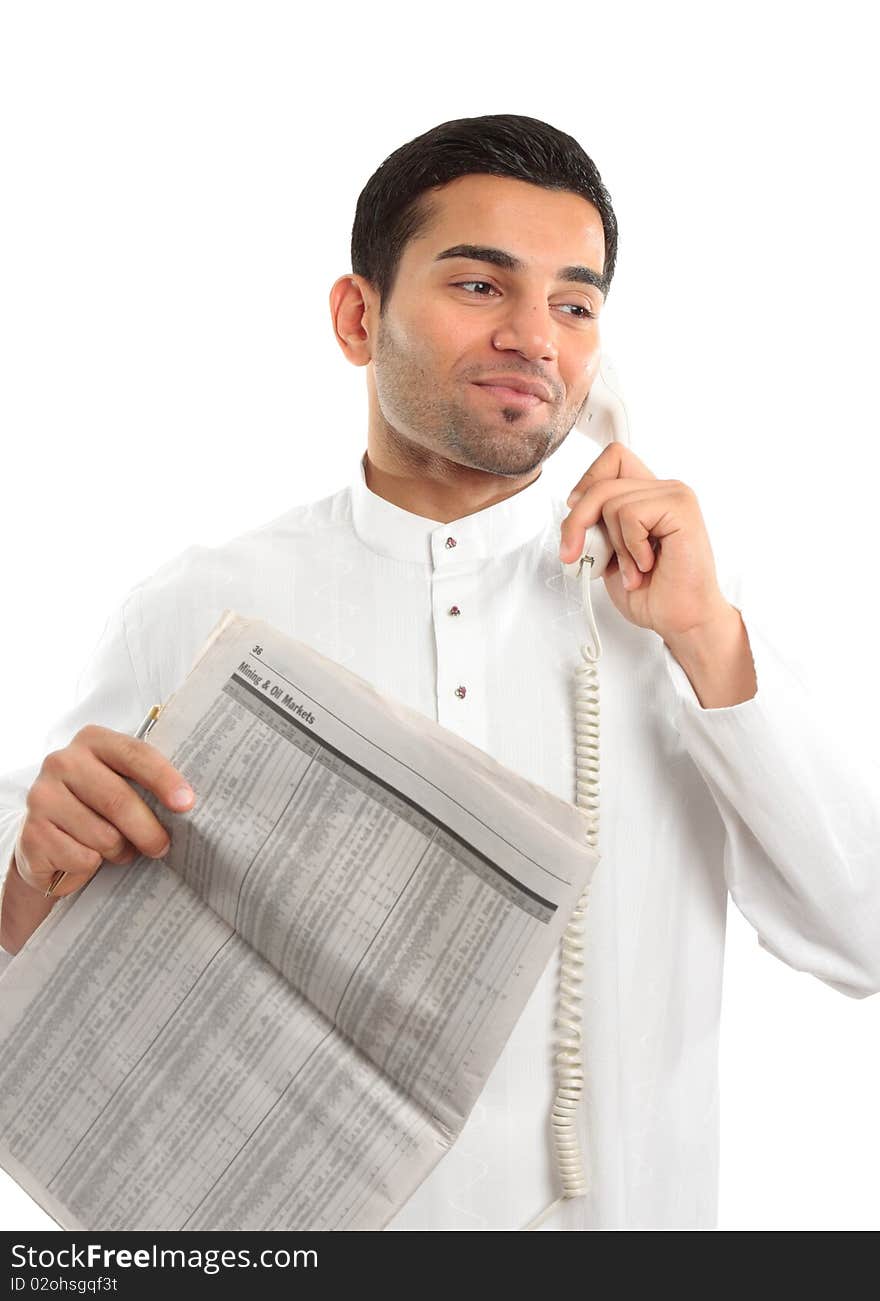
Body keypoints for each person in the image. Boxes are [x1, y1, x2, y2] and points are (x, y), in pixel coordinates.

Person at [1, 113, 878, 1232]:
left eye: (574, 303)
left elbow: (863, 933)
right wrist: (31, 874)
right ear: (356, 316)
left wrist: (703, 636)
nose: (535, 337)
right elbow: (43, 963)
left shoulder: (685, 599)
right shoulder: (191, 606)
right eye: (479, 287)